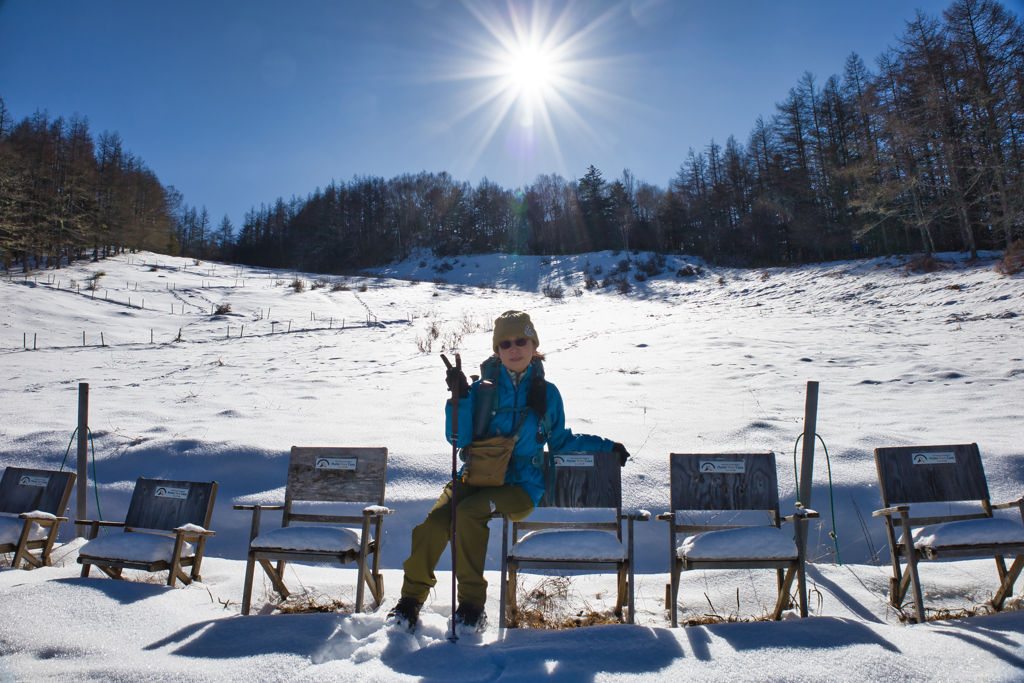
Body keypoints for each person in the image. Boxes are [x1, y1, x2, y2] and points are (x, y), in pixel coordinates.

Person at [388, 310, 629, 633]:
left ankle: (472, 606)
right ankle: (409, 602)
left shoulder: (548, 393)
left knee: (470, 513)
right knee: (434, 522)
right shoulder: (482, 390)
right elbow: (457, 438)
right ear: (497, 351)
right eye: (505, 343)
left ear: (533, 345)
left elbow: (560, 441)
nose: (514, 348)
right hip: (476, 476)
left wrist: (606, 447)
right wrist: (458, 399)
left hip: (522, 486)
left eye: (521, 341)